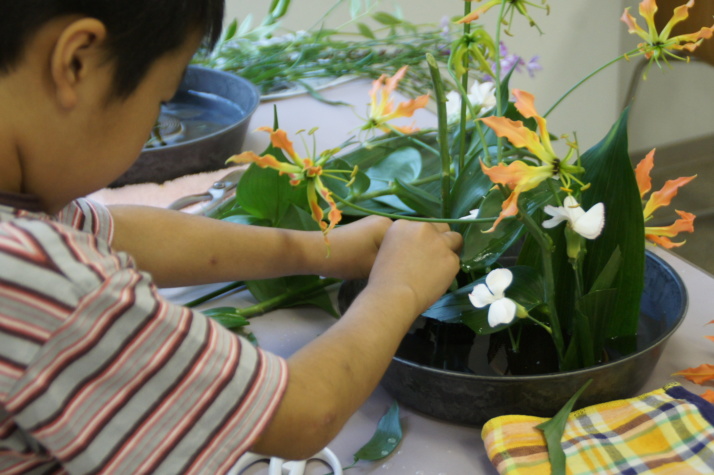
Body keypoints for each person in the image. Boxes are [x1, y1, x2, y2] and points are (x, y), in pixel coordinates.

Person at [0, 1, 463, 473]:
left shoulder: (21, 213)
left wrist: (325, 249)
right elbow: (303, 412)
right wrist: (397, 289)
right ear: (77, 61)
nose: (151, 127)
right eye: (160, 102)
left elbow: (116, 232)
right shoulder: (34, 275)